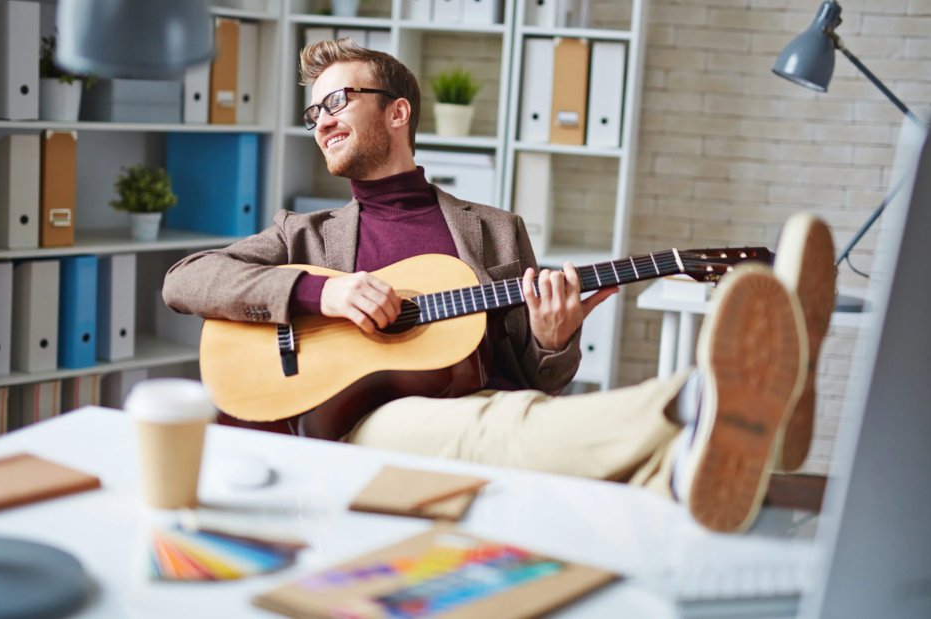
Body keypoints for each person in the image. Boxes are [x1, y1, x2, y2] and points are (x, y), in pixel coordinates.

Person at [162, 39, 837, 533]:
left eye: (337, 100)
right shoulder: (304, 236)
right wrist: (322, 293)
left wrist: (552, 338)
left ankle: (698, 459)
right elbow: (185, 279)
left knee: (515, 424)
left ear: (397, 113)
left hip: (481, 413)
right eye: (314, 113)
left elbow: (529, 379)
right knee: (499, 426)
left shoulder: (495, 232)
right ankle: (712, 397)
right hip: (355, 426)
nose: (324, 120)